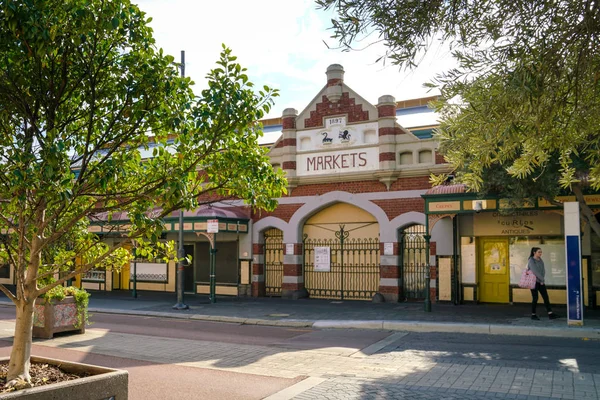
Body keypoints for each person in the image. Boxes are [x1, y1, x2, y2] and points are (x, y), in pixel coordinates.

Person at [527, 247, 559, 320]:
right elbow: (535, 271)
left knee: (546, 297)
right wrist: (541, 279)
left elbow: (543, 270)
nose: (540, 253)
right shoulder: (531, 260)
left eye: (541, 252)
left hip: (540, 282)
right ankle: (533, 314)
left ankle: (550, 313)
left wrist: (542, 280)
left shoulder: (540, 260)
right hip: (533, 282)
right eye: (539, 252)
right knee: (535, 298)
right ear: (534, 252)